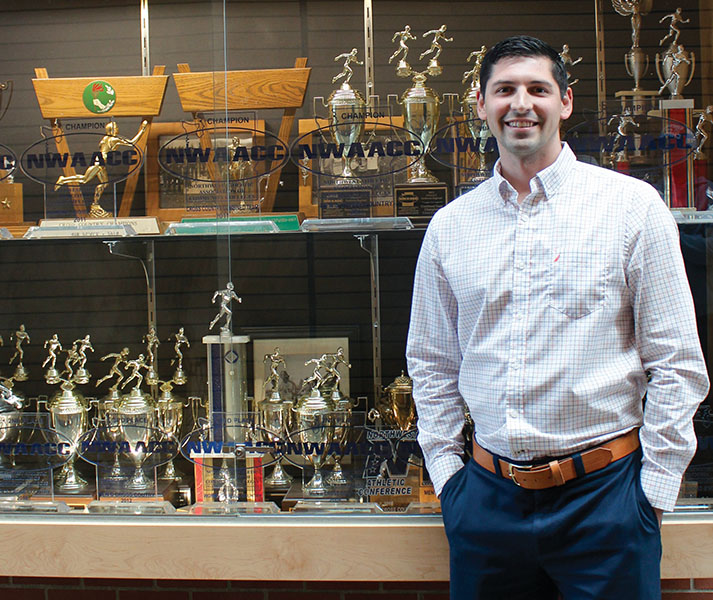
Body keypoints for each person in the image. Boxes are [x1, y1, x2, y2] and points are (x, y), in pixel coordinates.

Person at [406, 35, 709, 600]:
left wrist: (652, 494)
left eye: (537, 89)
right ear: (482, 104)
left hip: (607, 500)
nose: (521, 103)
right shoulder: (450, 227)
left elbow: (677, 362)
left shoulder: (631, 208)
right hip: (487, 505)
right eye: (505, 90)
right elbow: (430, 362)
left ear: (564, 102)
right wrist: (449, 482)